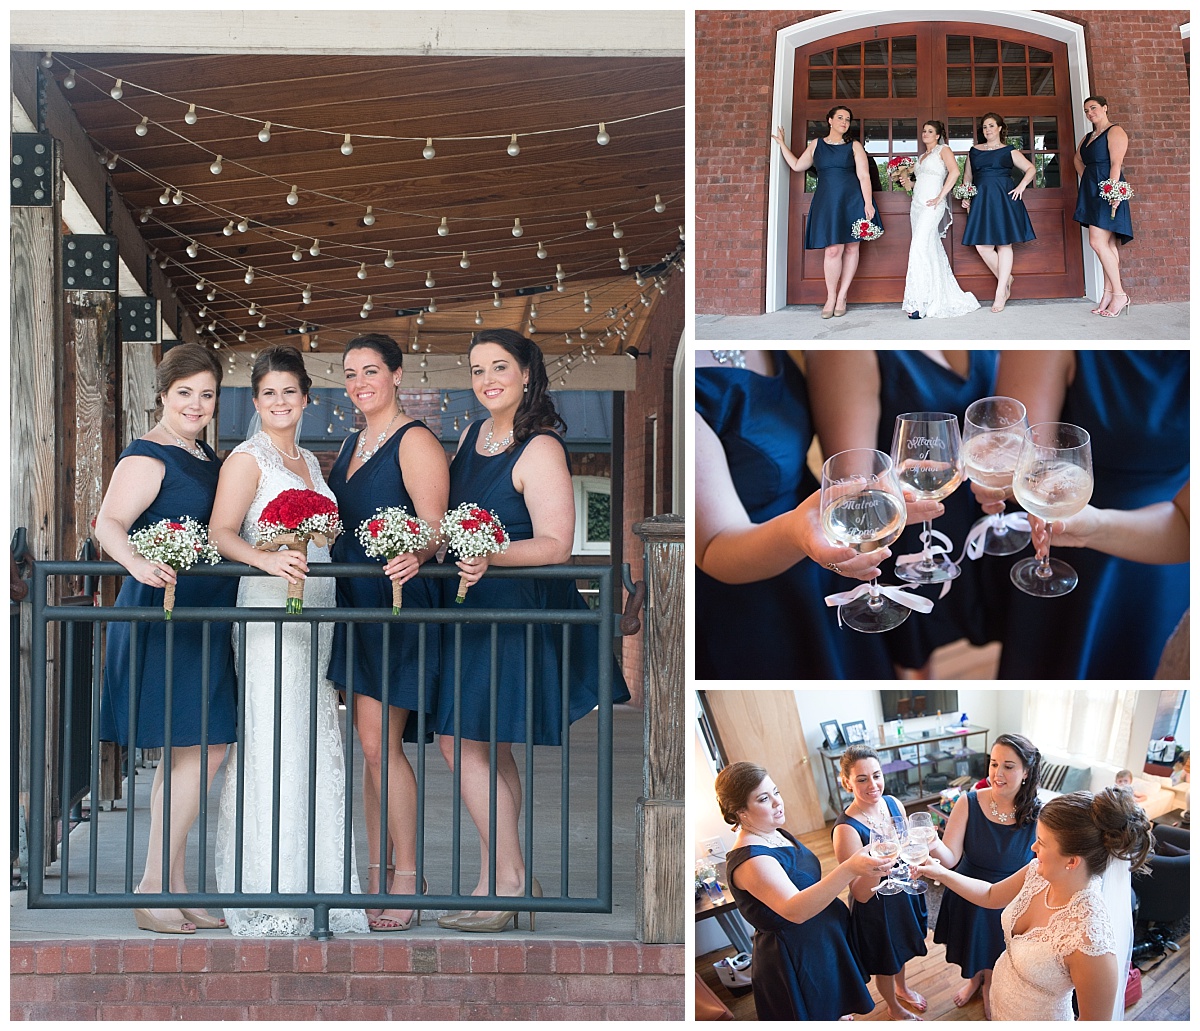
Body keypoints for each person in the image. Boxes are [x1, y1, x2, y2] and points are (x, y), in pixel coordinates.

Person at [435, 329, 630, 933]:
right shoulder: (471, 437)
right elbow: (449, 521)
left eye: (499, 367)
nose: (487, 379)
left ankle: (509, 880)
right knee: (485, 743)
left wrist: (490, 554)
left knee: (461, 741)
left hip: (514, 611)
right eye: (476, 370)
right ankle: (507, 874)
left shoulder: (540, 446)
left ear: (526, 374)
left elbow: (556, 544)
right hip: (468, 607)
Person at [209, 346, 368, 936]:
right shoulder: (247, 459)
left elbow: (323, 533)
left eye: (289, 392)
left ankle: (322, 883)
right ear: (256, 401)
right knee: (272, 736)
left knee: (312, 735)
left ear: (306, 398)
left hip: (315, 615)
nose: (279, 402)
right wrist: (266, 562)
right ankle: (267, 883)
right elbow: (222, 532)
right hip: (270, 609)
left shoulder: (309, 461)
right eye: (268, 393)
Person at [96, 343, 238, 934]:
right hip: (165, 610)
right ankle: (153, 886)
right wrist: (137, 565)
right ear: (162, 394)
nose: (197, 404)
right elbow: (108, 522)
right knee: (206, 746)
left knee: (189, 750)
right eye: (185, 393)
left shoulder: (206, 454)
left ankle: (175, 886)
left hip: (204, 616)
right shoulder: (148, 455)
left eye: (207, 395)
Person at [325, 334, 448, 931]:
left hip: (398, 601)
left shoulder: (415, 439)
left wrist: (416, 551)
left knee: (379, 744)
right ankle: (376, 872)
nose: (359, 383)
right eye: (350, 374)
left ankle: (406, 877)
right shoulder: (351, 441)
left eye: (370, 371)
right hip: (355, 602)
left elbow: (434, 526)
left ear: (397, 375)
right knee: (372, 747)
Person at [696, 350, 903, 680]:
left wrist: (869, 499)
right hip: (751, 594)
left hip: (822, 559)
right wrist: (799, 530)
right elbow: (713, 546)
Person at [983, 351, 1189, 679]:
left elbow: (1188, 524)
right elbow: (1026, 455)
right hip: (1069, 519)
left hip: (1167, 556)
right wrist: (1001, 478)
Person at [806, 350, 999, 677]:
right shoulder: (845, 351)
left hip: (969, 516)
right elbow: (853, 486)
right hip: (899, 530)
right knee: (914, 653)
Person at [914, 788, 1153, 1021]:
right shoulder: (1038, 872)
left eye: (1042, 842)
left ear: (1071, 860)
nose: (1033, 847)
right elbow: (989, 894)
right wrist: (941, 873)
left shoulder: (1092, 941)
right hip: (1001, 1006)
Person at [716, 761, 884, 1020]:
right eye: (763, 798)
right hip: (795, 956)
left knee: (832, 1008)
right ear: (740, 812)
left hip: (821, 943)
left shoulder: (775, 833)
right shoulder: (751, 860)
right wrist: (850, 868)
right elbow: (795, 910)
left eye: (776, 792)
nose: (777, 802)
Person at [926, 734, 1041, 1020]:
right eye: (993, 764)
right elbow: (950, 857)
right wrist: (931, 841)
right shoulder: (968, 802)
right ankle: (974, 981)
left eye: (1008, 766)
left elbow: (1041, 867)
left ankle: (989, 986)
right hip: (968, 891)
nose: (997, 774)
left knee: (997, 953)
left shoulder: (1039, 815)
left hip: (1009, 897)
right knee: (972, 948)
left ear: (1026, 772)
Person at [832, 745, 928, 1020]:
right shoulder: (846, 830)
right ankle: (894, 1007)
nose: (872, 785)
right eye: (861, 779)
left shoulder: (893, 803)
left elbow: (907, 845)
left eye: (876, 775)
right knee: (886, 961)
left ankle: (903, 988)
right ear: (847, 782)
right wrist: (879, 865)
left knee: (900, 951)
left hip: (903, 894)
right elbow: (860, 894)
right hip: (876, 906)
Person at [772, 105, 882, 318]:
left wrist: (868, 203)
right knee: (832, 250)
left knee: (851, 248)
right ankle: (830, 297)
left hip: (853, 201)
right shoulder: (816, 145)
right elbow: (796, 165)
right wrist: (782, 145)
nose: (844, 122)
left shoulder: (854, 146)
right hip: (827, 202)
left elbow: (864, 176)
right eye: (840, 117)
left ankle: (842, 296)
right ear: (830, 120)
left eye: (848, 119)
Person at [898, 120, 980, 320]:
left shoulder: (943, 150)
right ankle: (932, 296)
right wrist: (905, 180)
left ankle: (918, 303)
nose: (925, 134)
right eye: (924, 131)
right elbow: (912, 187)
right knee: (928, 248)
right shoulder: (921, 158)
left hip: (933, 205)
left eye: (930, 131)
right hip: (916, 205)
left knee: (918, 247)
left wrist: (940, 197)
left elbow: (955, 172)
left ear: (937, 135)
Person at [960, 113, 1036, 313]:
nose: (988, 130)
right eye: (985, 127)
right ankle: (1006, 277)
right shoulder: (974, 151)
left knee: (1004, 244)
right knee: (982, 246)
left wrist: (1021, 186)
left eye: (991, 126)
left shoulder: (1009, 151)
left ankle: (1000, 292)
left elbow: (1030, 169)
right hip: (982, 200)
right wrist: (966, 194)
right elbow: (967, 177)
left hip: (1004, 199)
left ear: (1000, 128)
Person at [1073, 95, 1133, 317]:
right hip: (1091, 191)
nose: (1090, 113)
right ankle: (1108, 294)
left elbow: (1116, 163)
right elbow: (1077, 159)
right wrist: (1087, 178)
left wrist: (1114, 191)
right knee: (1107, 244)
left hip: (1109, 190)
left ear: (1105, 108)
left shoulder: (1115, 131)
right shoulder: (1088, 137)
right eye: (1086, 110)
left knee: (1097, 242)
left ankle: (1119, 294)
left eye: (1094, 108)